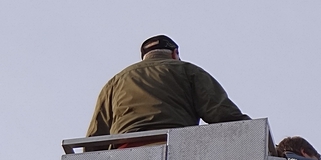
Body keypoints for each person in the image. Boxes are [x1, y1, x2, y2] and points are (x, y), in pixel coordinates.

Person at [87, 35, 249, 137]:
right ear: (174, 53)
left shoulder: (114, 83)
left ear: (144, 57)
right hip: (175, 144)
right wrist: (252, 132)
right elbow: (220, 112)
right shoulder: (187, 70)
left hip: (125, 149)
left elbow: (97, 133)